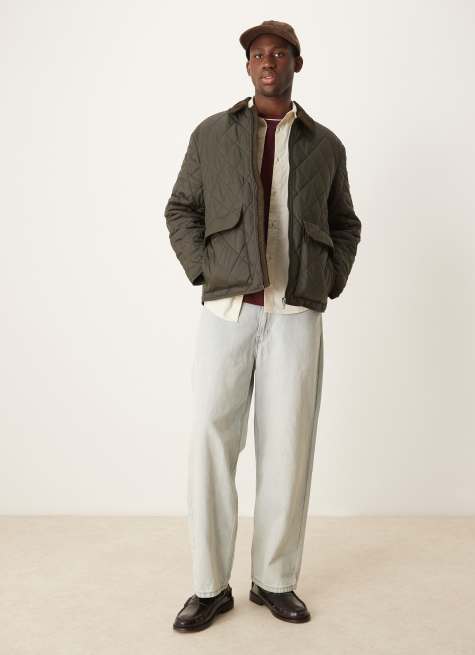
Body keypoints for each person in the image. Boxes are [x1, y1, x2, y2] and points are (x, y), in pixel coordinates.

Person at [164, 20, 362, 632]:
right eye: (257, 54)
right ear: (248, 66)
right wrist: (207, 269)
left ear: (296, 64)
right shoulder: (212, 134)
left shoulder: (325, 145)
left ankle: (274, 580)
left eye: (279, 53)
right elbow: (181, 208)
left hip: (295, 312)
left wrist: (328, 278)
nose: (267, 61)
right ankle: (208, 586)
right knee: (210, 439)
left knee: (288, 448)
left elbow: (345, 222)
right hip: (228, 310)